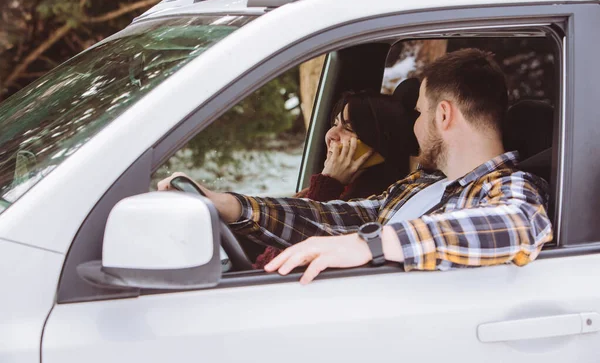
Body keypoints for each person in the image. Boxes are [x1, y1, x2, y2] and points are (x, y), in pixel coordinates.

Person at [158, 48, 553, 285]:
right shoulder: (423, 185)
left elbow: (520, 225)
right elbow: (339, 217)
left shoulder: (509, 185)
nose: (413, 126)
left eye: (419, 113)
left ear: (444, 115)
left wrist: (370, 245)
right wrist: (232, 205)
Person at [253, 90, 416, 269]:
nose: (331, 134)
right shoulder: (342, 187)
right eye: (335, 123)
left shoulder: (369, 205)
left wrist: (327, 184)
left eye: (348, 128)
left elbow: (280, 261)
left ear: (379, 143)